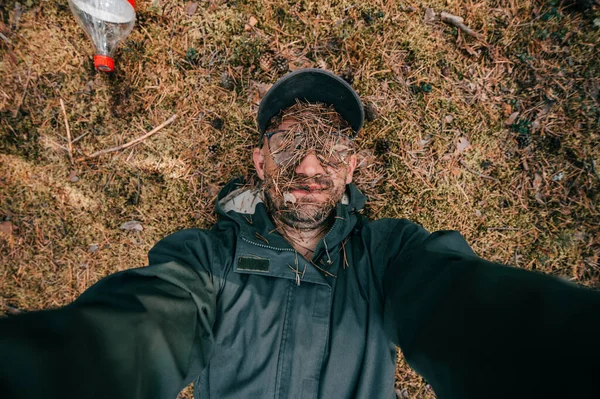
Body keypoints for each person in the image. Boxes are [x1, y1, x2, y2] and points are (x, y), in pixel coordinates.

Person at [1, 69, 599, 399]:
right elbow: (139, 329)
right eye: (287, 145)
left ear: (352, 167)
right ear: (260, 163)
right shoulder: (206, 260)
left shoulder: (392, 257)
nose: (309, 167)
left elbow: (472, 313)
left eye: (331, 148)